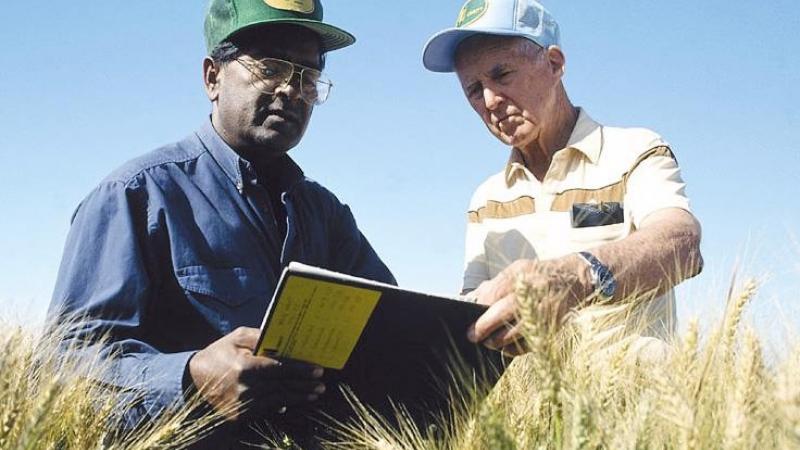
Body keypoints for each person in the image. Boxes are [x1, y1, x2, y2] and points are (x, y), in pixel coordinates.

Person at [48, 0, 394, 446]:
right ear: (212, 77)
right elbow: (62, 366)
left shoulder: (327, 215)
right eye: (270, 68)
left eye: (307, 76)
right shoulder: (137, 195)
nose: (291, 90)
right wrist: (188, 377)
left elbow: (390, 330)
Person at [422, 0, 703, 355]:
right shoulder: (486, 200)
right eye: (474, 89)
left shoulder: (634, 152)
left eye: (502, 74)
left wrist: (577, 278)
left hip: (635, 401)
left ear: (554, 64)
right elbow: (474, 313)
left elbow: (682, 244)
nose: (490, 100)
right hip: (534, 408)